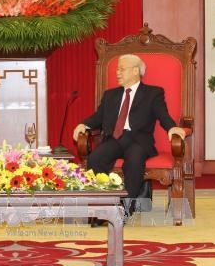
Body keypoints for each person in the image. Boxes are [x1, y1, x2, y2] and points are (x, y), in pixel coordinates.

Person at [73, 54, 185, 215]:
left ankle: (125, 208)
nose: (117, 72)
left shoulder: (153, 93)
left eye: (121, 69)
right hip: (115, 139)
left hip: (138, 141)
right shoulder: (110, 95)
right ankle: (102, 205)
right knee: (96, 158)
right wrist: (84, 124)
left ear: (135, 71)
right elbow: (98, 116)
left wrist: (172, 128)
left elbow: (163, 115)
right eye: (117, 69)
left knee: (134, 160)